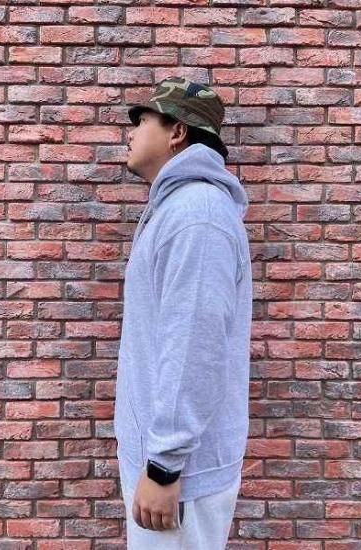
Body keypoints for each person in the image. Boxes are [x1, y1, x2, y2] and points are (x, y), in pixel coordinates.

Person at [114, 77, 253, 550]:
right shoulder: (179, 208)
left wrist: (163, 467)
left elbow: (195, 345)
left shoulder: (198, 215)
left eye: (143, 120)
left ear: (177, 132)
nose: (131, 131)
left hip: (178, 477)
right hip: (167, 466)